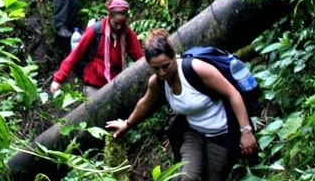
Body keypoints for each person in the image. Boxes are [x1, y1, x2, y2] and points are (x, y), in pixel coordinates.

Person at [106, 29, 257, 181]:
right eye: (156, 68)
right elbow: (145, 103)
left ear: (174, 57)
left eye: (166, 66)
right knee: (187, 178)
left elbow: (233, 94)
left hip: (221, 134)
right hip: (192, 132)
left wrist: (246, 131)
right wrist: (127, 124)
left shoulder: (196, 69)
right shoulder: (157, 82)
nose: (162, 72)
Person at [49, 0, 144, 97]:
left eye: (122, 23)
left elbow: (139, 58)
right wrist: (58, 79)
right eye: (116, 23)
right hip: (94, 84)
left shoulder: (127, 34)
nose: (119, 27)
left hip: (116, 84)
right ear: (109, 16)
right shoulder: (96, 31)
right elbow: (75, 55)